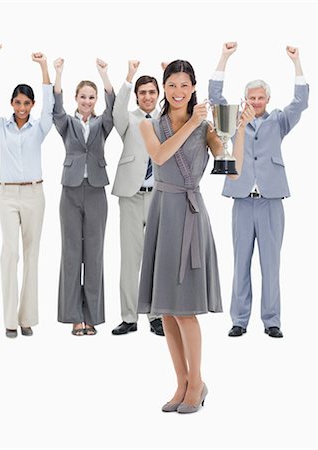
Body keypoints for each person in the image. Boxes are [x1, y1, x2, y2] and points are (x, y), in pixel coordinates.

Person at [138, 59, 255, 413]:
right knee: (167, 312)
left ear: (193, 87)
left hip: (189, 213)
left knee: (185, 310)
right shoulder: (149, 125)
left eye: (184, 85)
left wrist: (241, 132)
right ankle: (181, 383)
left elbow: (232, 173)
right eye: (171, 85)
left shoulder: (206, 127)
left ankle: (197, 382)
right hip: (162, 210)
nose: (177, 92)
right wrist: (190, 123)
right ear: (164, 87)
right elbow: (160, 157)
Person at [209, 42, 309, 339]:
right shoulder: (236, 119)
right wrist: (224, 56)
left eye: (260, 97)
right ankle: (239, 320)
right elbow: (214, 97)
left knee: (271, 264)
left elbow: (301, 102)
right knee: (240, 263)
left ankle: (272, 320)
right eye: (251, 98)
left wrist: (297, 63)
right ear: (245, 99)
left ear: (267, 98)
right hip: (241, 200)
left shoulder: (280, 120)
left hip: (271, 201)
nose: (255, 102)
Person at [0, 42, 54, 338]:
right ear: (12, 103)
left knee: (32, 255)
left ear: (31, 106)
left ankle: (27, 318)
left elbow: (51, 103)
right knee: (10, 253)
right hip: (7, 195)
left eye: (26, 103)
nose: (22, 108)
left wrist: (44, 67)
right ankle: (9, 319)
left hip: (35, 194)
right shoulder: (0, 126)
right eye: (17, 103)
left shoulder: (40, 128)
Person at [53, 57, 115, 336]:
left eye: (91, 97)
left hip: (97, 190)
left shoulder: (103, 123)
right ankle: (73, 316)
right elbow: (55, 108)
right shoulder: (66, 122)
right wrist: (58, 73)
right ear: (76, 98)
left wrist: (104, 75)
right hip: (71, 190)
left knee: (94, 253)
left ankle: (91, 316)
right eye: (83, 97)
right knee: (71, 253)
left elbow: (113, 108)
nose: (87, 101)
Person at [111, 60, 164, 336]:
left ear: (158, 95)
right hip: (131, 195)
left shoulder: (164, 120)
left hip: (158, 196)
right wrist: (129, 76)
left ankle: (156, 316)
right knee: (130, 259)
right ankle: (129, 317)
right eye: (142, 92)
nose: (147, 96)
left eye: (151, 92)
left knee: (155, 258)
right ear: (137, 96)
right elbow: (117, 108)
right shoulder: (128, 119)